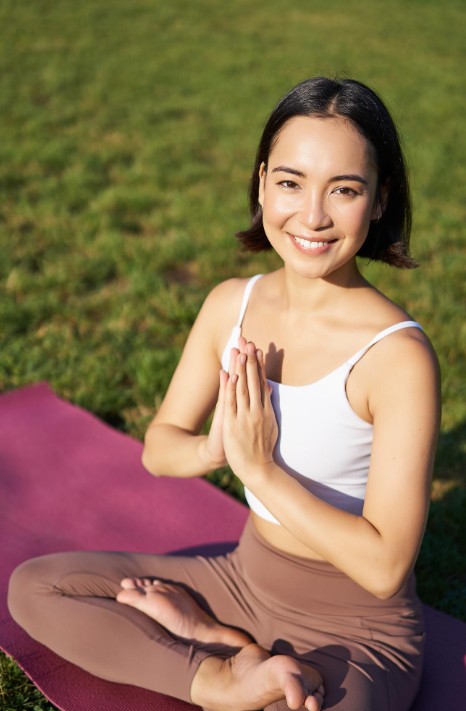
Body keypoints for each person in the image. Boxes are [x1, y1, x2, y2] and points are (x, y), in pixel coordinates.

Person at [8, 77, 440, 711]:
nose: (313, 216)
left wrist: (259, 467)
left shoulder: (397, 356)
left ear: (379, 202)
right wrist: (219, 446)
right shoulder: (230, 305)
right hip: (243, 577)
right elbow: (160, 449)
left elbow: (383, 568)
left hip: (359, 632)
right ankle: (220, 672)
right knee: (36, 587)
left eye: (343, 190)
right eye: (290, 182)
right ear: (262, 182)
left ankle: (230, 649)